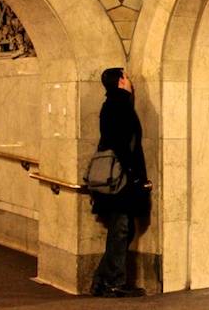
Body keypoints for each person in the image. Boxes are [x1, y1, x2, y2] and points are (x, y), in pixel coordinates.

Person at [90, 68, 150, 298]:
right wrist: (136, 176)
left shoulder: (112, 104)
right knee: (121, 229)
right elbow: (125, 145)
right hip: (121, 180)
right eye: (127, 77)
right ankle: (114, 282)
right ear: (122, 81)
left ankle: (102, 280)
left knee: (122, 229)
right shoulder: (120, 105)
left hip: (116, 178)